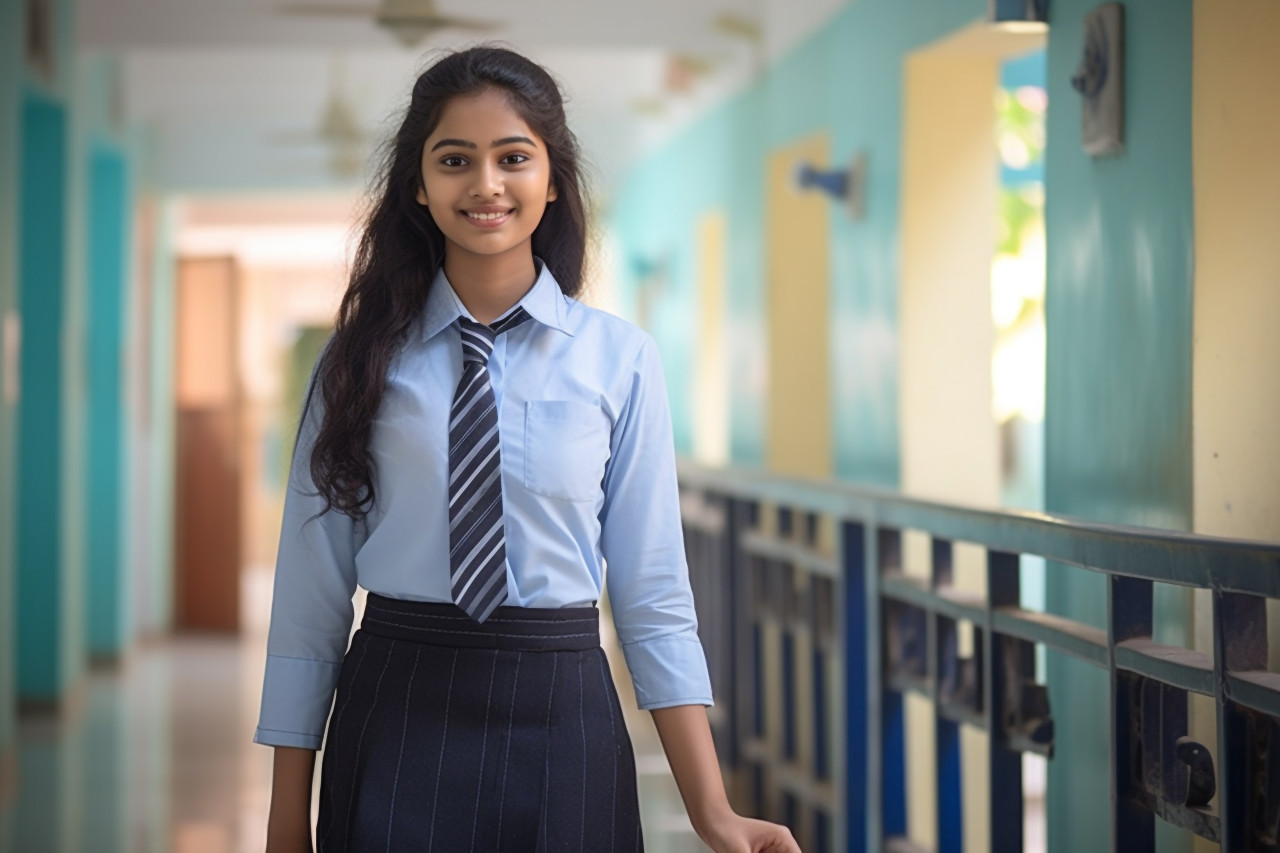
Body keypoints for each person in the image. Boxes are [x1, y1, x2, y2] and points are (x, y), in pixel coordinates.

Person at [256, 45, 801, 853]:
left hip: (565, 711)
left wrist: (711, 810)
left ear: (553, 179)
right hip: (399, 705)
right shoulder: (356, 362)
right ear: (418, 185)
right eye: (454, 160)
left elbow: (652, 593)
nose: (485, 185)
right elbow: (311, 598)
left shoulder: (620, 359)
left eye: (514, 157)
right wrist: (283, 822)